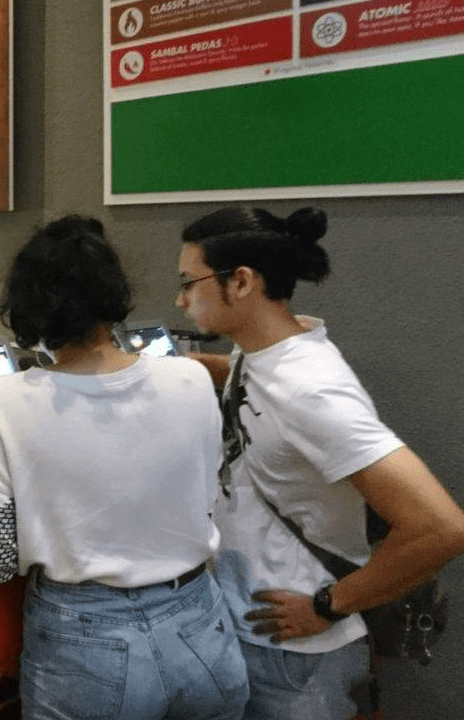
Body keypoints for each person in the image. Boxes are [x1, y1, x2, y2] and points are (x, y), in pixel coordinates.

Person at [0, 216, 248, 720]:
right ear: (113, 294)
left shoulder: (2, 402)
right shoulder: (190, 379)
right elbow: (207, 491)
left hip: (84, 639)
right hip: (199, 624)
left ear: (26, 307)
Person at [175, 206, 464, 720]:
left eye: (188, 283)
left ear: (240, 282)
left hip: (296, 659)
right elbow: (252, 382)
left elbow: (441, 528)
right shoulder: (266, 351)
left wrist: (328, 605)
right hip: (254, 634)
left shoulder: (310, 389)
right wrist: (187, 368)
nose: (181, 300)